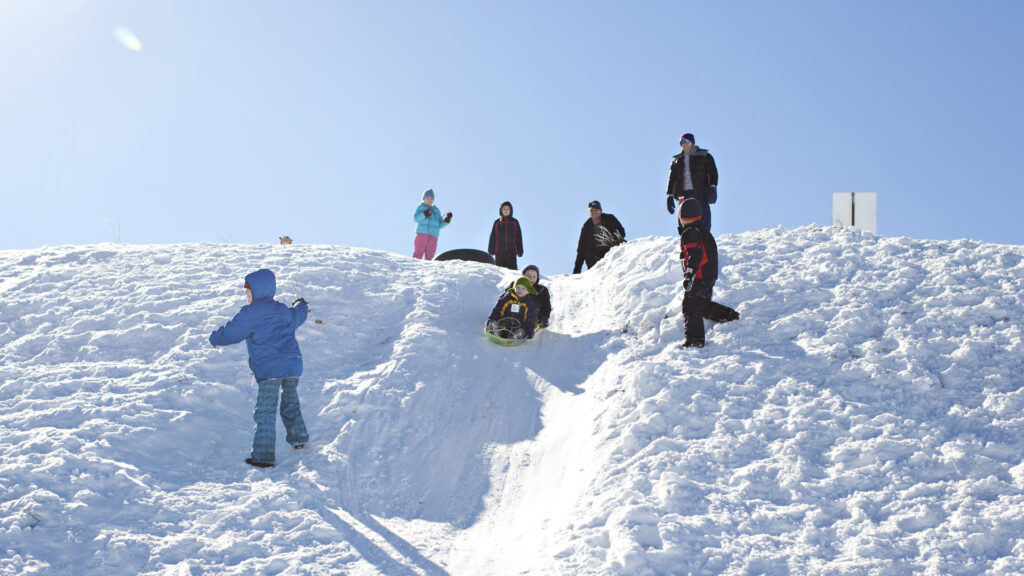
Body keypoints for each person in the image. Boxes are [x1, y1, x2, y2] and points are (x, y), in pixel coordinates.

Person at [209, 269, 310, 468]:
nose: (246, 297)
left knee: (265, 410)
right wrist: (301, 304)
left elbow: (232, 331)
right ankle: (299, 439)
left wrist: (215, 338)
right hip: (292, 365)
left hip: (270, 370)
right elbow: (298, 315)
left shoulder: (250, 313)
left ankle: (263, 456)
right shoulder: (281, 309)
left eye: (248, 293)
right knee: (290, 402)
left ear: (257, 291)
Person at [677, 198, 739, 348]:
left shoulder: (690, 233)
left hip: (698, 276)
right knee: (702, 305)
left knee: (690, 306)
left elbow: (695, 255)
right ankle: (730, 316)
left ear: (683, 217)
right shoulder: (703, 232)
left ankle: (695, 340)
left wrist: (689, 275)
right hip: (708, 275)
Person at [666, 133, 718, 231]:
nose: (684, 144)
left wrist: (713, 187)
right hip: (683, 195)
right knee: (683, 222)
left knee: (703, 220)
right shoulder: (677, 160)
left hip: (700, 193)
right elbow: (672, 179)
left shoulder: (704, 155)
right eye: (682, 142)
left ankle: (705, 240)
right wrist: (670, 196)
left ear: (692, 142)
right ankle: (686, 242)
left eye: (686, 141)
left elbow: (712, 173)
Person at [573, 200, 625, 274]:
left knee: (623, 244)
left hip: (613, 248)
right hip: (597, 254)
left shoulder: (610, 218)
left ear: (600, 211)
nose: (594, 212)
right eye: (591, 210)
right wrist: (576, 271)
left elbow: (621, 232)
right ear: (589, 212)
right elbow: (581, 249)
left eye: (596, 210)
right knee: (587, 252)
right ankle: (595, 273)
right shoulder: (586, 226)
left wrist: (610, 239)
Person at [413, 189, 452, 260]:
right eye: (427, 198)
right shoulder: (421, 207)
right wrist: (424, 214)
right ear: (423, 199)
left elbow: (440, 225)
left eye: (431, 198)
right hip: (422, 233)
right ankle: (414, 266)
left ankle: (429, 268)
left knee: (430, 254)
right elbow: (416, 219)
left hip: (433, 235)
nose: (429, 200)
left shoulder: (436, 210)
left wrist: (447, 220)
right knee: (418, 252)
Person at [488, 201, 524, 270]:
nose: (506, 210)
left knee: (512, 270)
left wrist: (520, 250)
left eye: (508, 209)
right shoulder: (497, 222)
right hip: (499, 251)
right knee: (500, 270)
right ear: (501, 211)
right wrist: (491, 249)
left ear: (511, 210)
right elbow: (493, 236)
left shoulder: (514, 222)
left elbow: (518, 237)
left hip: (511, 251)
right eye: (504, 209)